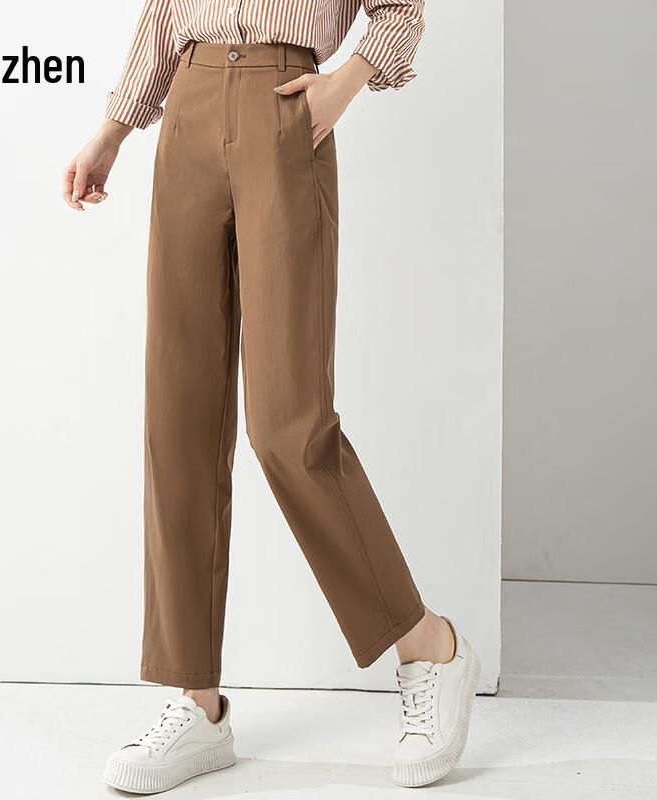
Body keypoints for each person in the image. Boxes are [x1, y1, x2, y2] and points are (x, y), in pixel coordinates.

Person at [63, 0, 479, 791]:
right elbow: (166, 12)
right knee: (177, 420)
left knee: (289, 426)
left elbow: (400, 9)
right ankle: (197, 701)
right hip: (187, 103)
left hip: (287, 108)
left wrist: (347, 82)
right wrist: (114, 129)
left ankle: (429, 645)